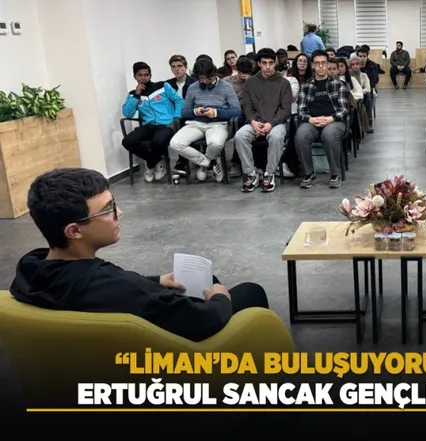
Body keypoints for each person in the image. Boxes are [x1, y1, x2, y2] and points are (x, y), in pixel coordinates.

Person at [10, 168, 270, 343]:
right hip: (171, 356)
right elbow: (203, 320)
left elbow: (105, 285)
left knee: (205, 280)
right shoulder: (123, 289)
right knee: (250, 291)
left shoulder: (29, 272)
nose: (119, 213)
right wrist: (220, 300)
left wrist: (156, 281)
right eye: (109, 209)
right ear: (74, 230)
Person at [169, 59, 242, 183]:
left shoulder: (226, 87)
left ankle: (205, 164)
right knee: (175, 143)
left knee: (215, 143)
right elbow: (185, 112)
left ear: (214, 74)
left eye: (208, 78)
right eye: (201, 79)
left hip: (218, 124)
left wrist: (217, 113)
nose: (205, 81)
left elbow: (237, 111)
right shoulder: (193, 87)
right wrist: (195, 112)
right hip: (196, 123)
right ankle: (209, 163)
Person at [236, 48, 292, 193]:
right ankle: (250, 173)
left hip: (276, 123)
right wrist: (253, 121)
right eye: (264, 63)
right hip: (255, 122)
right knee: (240, 136)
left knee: (276, 137)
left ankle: (269, 173)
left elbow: (285, 109)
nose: (268, 67)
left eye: (271, 63)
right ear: (259, 64)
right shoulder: (250, 83)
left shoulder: (284, 83)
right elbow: (247, 106)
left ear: (275, 63)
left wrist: (271, 124)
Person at [121, 61, 183, 183]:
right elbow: (128, 114)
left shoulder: (162, 86)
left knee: (157, 142)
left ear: (150, 75)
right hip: (148, 126)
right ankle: (156, 160)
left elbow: (179, 101)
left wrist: (176, 117)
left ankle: (149, 164)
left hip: (166, 125)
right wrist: (136, 95)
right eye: (140, 75)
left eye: (146, 75)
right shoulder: (133, 95)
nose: (143, 78)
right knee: (127, 141)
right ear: (135, 76)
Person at [295, 50, 349, 190]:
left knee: (329, 135)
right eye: (317, 63)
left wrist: (331, 118)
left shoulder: (339, 85)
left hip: (334, 121)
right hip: (312, 121)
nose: (320, 66)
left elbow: (344, 109)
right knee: (301, 136)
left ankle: (335, 174)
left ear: (327, 64)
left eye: (323, 63)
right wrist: (311, 119)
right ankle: (308, 174)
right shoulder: (305, 86)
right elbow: (301, 110)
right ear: (312, 65)